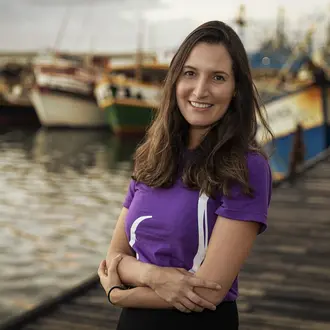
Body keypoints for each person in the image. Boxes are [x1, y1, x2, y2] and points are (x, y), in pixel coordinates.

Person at [98, 20, 273, 330]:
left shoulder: (246, 166)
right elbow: (113, 256)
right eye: (190, 73)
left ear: (235, 90)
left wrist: (120, 295)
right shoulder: (151, 156)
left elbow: (208, 291)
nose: (200, 90)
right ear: (175, 80)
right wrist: (156, 276)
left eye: (218, 77)